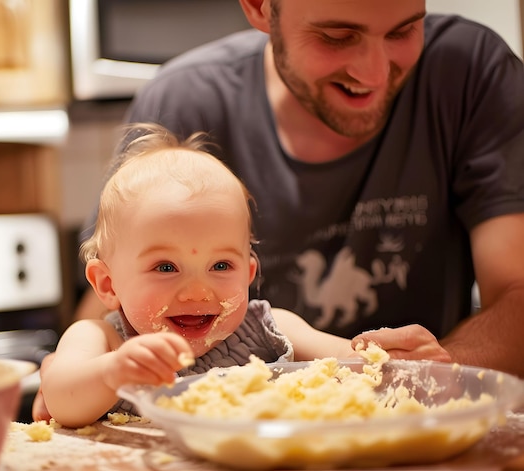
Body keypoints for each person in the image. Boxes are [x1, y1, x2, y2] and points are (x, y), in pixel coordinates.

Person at [73, 0, 524, 377]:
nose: (374, 73)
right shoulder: (185, 100)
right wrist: (80, 372)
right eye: (336, 36)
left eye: (403, 31)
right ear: (259, 7)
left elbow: (516, 293)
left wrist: (433, 371)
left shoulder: (470, 73)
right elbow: (111, 307)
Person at [37, 124, 449, 427]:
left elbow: (361, 366)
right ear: (108, 284)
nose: (198, 291)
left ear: (249, 273)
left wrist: (401, 363)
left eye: (221, 266)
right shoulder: (101, 340)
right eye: (166, 267)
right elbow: (63, 401)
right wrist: (114, 371)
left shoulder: (272, 328)